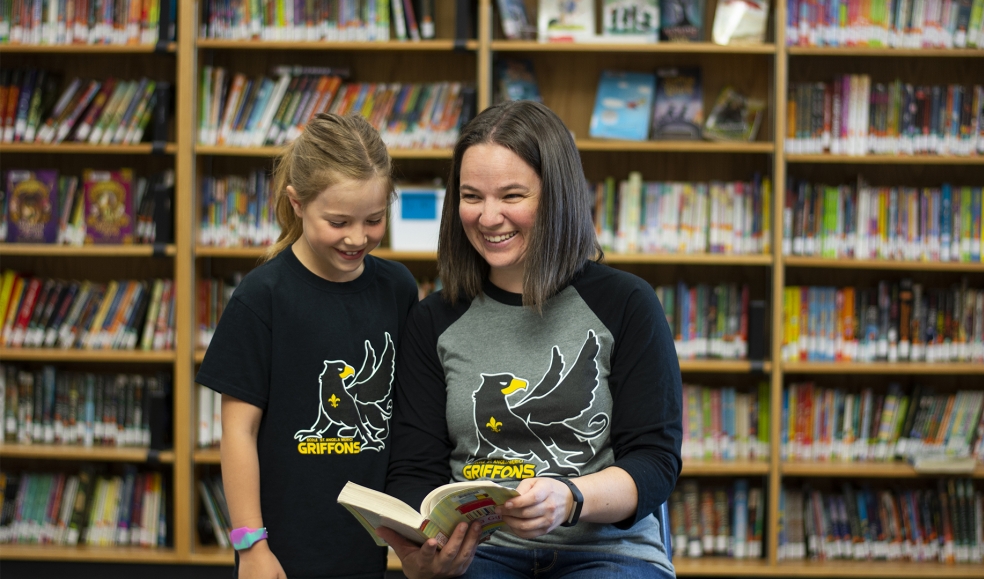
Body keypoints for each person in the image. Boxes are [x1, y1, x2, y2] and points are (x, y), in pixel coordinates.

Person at [380, 100, 683, 578]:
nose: (488, 217)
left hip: (605, 550)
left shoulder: (628, 304)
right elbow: (415, 470)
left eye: (512, 196)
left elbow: (655, 461)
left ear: (556, 196)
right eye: (471, 196)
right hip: (480, 554)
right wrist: (425, 551)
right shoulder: (432, 320)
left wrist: (570, 497)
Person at [196, 113, 419, 579]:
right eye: (338, 221)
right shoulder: (262, 298)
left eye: (374, 220)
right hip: (280, 548)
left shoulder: (397, 288)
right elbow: (238, 432)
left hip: (365, 546)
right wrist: (250, 546)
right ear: (297, 203)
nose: (358, 238)